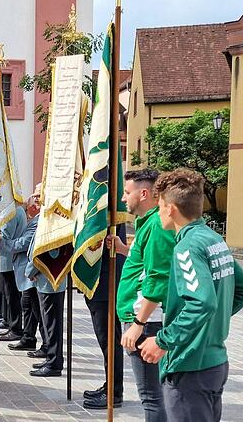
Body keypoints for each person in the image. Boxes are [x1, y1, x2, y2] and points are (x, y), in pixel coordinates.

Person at [139, 169, 243, 422]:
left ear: (171, 209)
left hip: (190, 365)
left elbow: (202, 302)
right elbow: (239, 289)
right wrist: (210, 323)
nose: (159, 212)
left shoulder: (186, 247)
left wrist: (163, 340)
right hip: (214, 362)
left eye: (161, 205)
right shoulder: (213, 238)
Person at [108, 169, 174, 421]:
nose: (124, 199)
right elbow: (146, 263)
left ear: (144, 193)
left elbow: (157, 277)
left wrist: (138, 323)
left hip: (147, 322)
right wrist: (124, 249)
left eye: (127, 192)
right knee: (155, 396)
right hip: (143, 318)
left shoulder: (157, 224)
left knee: (152, 397)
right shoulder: (147, 222)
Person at [21, 186, 66, 376]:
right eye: (35, 195)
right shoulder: (44, 217)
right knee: (47, 322)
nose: (36, 199)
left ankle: (54, 362)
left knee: (52, 323)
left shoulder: (52, 219)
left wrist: (31, 269)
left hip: (49, 278)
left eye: (40, 195)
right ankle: (50, 356)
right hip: (43, 279)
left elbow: (49, 251)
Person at [82, 224, 126, 409]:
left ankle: (114, 392)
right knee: (106, 339)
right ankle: (110, 385)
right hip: (100, 280)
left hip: (105, 280)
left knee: (109, 339)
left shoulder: (109, 210)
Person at [0, 191, 41, 352]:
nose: (32, 207)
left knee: (27, 304)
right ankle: (28, 337)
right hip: (24, 268)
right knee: (26, 304)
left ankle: (25, 334)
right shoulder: (31, 218)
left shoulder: (35, 221)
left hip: (30, 270)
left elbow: (21, 242)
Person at [0, 204, 27, 342]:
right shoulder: (10, 209)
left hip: (7, 260)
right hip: (4, 260)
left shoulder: (12, 211)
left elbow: (2, 237)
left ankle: (15, 328)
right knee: (6, 295)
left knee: (11, 296)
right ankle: (9, 322)